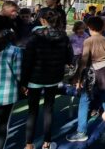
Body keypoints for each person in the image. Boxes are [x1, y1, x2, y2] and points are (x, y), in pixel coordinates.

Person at [22, 10, 73, 149]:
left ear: (43, 21)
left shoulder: (34, 38)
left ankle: (29, 144)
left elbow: (27, 61)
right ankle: (47, 142)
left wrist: (24, 82)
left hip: (35, 78)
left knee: (32, 112)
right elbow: (69, 57)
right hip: (53, 77)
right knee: (48, 109)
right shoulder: (63, 36)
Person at [67, 16, 105, 142]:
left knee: (84, 101)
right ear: (102, 27)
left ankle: (81, 131)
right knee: (104, 97)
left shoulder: (88, 41)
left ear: (89, 28)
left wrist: (78, 77)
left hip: (93, 75)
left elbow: (84, 61)